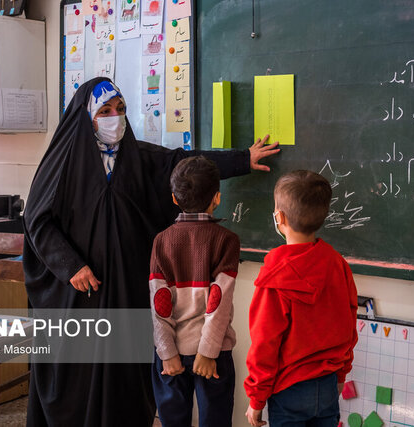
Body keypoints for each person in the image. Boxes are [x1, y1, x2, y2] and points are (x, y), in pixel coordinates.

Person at [23, 77, 279, 427]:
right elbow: (38, 222)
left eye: (121, 109)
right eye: (105, 111)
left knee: (127, 386)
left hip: (128, 294)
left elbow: (191, 165)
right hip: (80, 297)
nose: (115, 117)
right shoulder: (61, 164)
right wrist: (72, 266)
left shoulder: (141, 159)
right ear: (86, 117)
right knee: (76, 385)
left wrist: (243, 159)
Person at [244, 170, 358, 427]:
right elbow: (349, 323)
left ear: (279, 217)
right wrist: (341, 373)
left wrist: (256, 399)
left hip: (289, 388)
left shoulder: (274, 277)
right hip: (328, 383)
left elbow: (264, 343)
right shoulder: (338, 265)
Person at [149, 156, 239, 427]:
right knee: (216, 419)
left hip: (172, 352)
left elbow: (159, 304)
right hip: (213, 355)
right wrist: (208, 353)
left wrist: (168, 353)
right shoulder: (227, 240)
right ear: (217, 198)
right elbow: (218, 303)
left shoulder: (161, 241)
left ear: (174, 199)